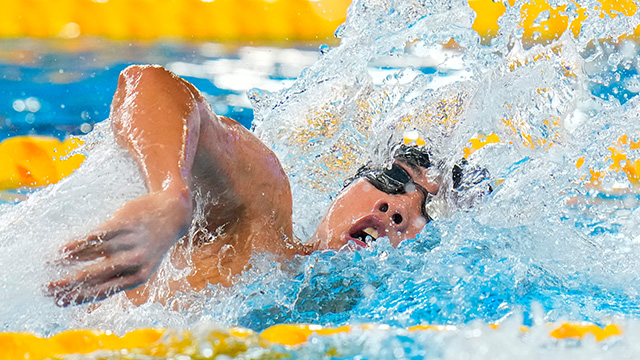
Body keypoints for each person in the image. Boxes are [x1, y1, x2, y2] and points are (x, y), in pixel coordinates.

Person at [46, 65, 442, 306]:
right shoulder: (260, 212)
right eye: (393, 180)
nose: (397, 209)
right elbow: (145, 84)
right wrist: (169, 194)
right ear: (346, 185)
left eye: (430, 215)